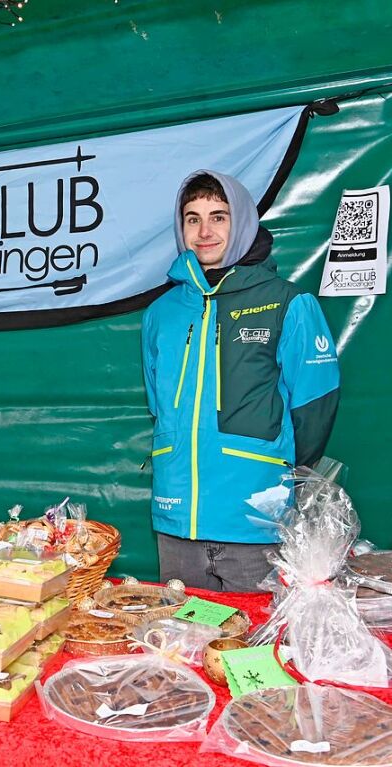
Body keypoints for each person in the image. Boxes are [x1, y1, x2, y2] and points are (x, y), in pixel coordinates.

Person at [141, 170, 340, 591]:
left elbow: (314, 408)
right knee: (181, 646)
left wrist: (268, 467)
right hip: (177, 519)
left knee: (258, 649)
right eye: (192, 219)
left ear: (244, 222)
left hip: (254, 520)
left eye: (219, 216)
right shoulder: (161, 312)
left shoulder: (288, 302)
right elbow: (160, 406)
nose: (205, 231)